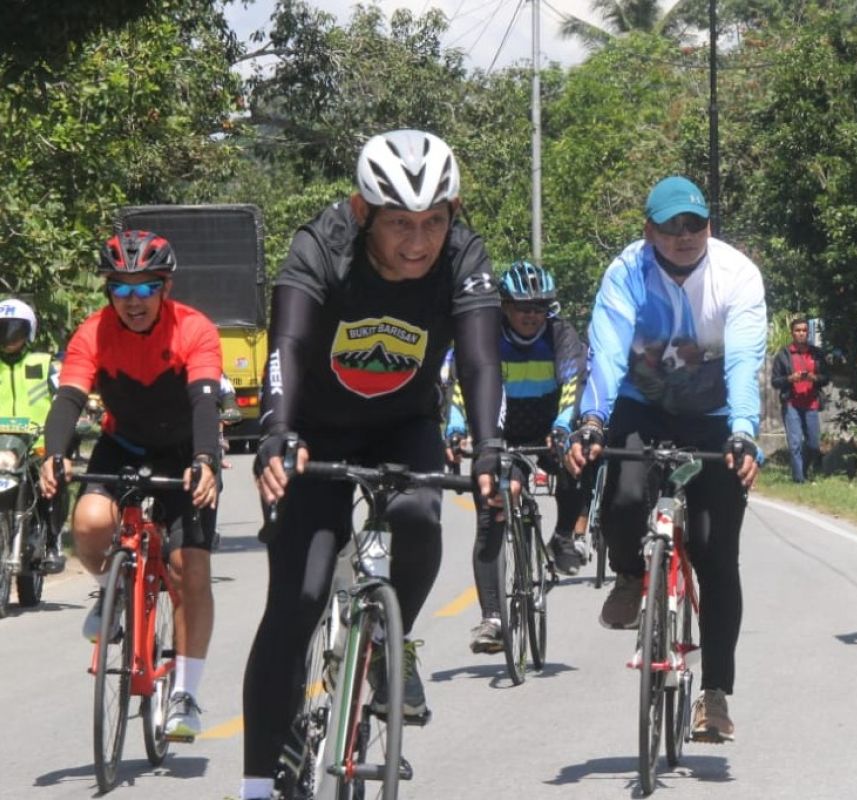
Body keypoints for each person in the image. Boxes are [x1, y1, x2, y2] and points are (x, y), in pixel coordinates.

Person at [240, 129, 504, 800]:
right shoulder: (321, 244)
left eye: (434, 222)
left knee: (419, 516)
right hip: (316, 433)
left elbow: (478, 360)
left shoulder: (464, 256)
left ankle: (393, 639)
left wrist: (490, 448)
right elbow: (290, 345)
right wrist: (276, 431)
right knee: (296, 600)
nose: (419, 242)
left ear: (454, 213)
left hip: (404, 426)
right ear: (363, 214)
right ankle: (255, 787)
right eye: (399, 225)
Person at [565, 175, 766, 744]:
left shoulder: (736, 276)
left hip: (715, 417)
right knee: (624, 500)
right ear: (648, 230)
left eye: (694, 225)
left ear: (708, 225)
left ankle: (716, 694)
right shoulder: (626, 272)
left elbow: (744, 358)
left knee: (715, 553)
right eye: (671, 227)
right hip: (641, 407)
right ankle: (632, 575)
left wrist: (745, 432)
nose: (684, 237)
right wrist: (593, 420)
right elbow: (606, 351)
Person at [37, 231, 222, 740]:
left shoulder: (194, 329)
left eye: (145, 290)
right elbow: (70, 399)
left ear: (165, 287)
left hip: (187, 454)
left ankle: (185, 692)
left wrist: (206, 460)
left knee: (189, 570)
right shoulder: (92, 333)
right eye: (121, 290)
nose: (133, 302)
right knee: (91, 522)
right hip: (125, 445)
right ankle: (110, 593)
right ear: (108, 292)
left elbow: (206, 401)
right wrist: (55, 453)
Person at [445, 260, 587, 654]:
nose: (531, 315)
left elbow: (574, 385)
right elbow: (462, 386)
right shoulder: (486, 334)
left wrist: (562, 428)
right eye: (523, 307)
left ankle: (562, 538)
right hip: (499, 431)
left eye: (540, 307)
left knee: (579, 464)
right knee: (490, 518)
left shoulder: (560, 334)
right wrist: (455, 429)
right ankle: (492, 619)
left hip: (547, 426)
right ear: (503, 306)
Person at [0, 297, 65, 573]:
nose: (8, 336)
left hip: (38, 445)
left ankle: (52, 542)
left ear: (29, 331)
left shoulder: (44, 363)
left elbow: (66, 397)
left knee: (55, 485)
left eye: (15, 329)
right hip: (2, 446)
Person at [769, 317, 829, 483]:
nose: (801, 333)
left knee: (813, 444)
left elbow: (826, 378)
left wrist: (813, 377)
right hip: (791, 404)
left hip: (811, 403)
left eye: (804, 330)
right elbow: (775, 381)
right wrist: (790, 379)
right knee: (795, 443)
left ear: (808, 332)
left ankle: (802, 471)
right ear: (792, 333)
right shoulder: (783, 355)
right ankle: (799, 480)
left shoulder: (817, 354)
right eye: (798, 330)